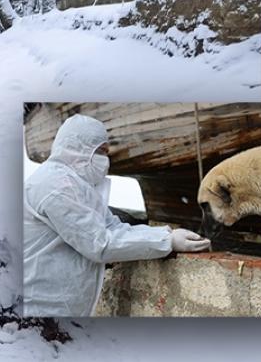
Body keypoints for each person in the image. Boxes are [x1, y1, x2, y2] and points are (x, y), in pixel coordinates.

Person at [23, 115, 211, 317]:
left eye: (106, 153)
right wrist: (167, 241)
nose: (105, 160)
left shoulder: (76, 185)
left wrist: (165, 233)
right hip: (40, 308)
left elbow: (114, 228)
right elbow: (100, 243)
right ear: (77, 148)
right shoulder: (56, 186)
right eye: (100, 151)